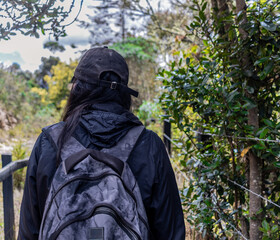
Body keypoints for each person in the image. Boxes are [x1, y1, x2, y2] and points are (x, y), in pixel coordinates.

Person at [18, 47, 185, 239]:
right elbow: (171, 232)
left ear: (78, 88)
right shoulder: (149, 145)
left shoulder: (50, 142)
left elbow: (29, 231)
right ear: (124, 94)